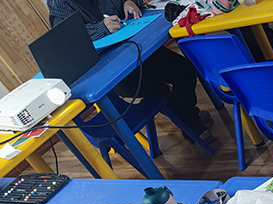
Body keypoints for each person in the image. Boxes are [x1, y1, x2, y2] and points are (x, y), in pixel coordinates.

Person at [47, 0, 213, 141]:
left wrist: (130, 1)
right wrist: (101, 28)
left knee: (184, 69)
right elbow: (68, 39)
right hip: (112, 71)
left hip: (137, 49)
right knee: (158, 90)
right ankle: (194, 127)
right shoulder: (59, 3)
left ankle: (190, 114)